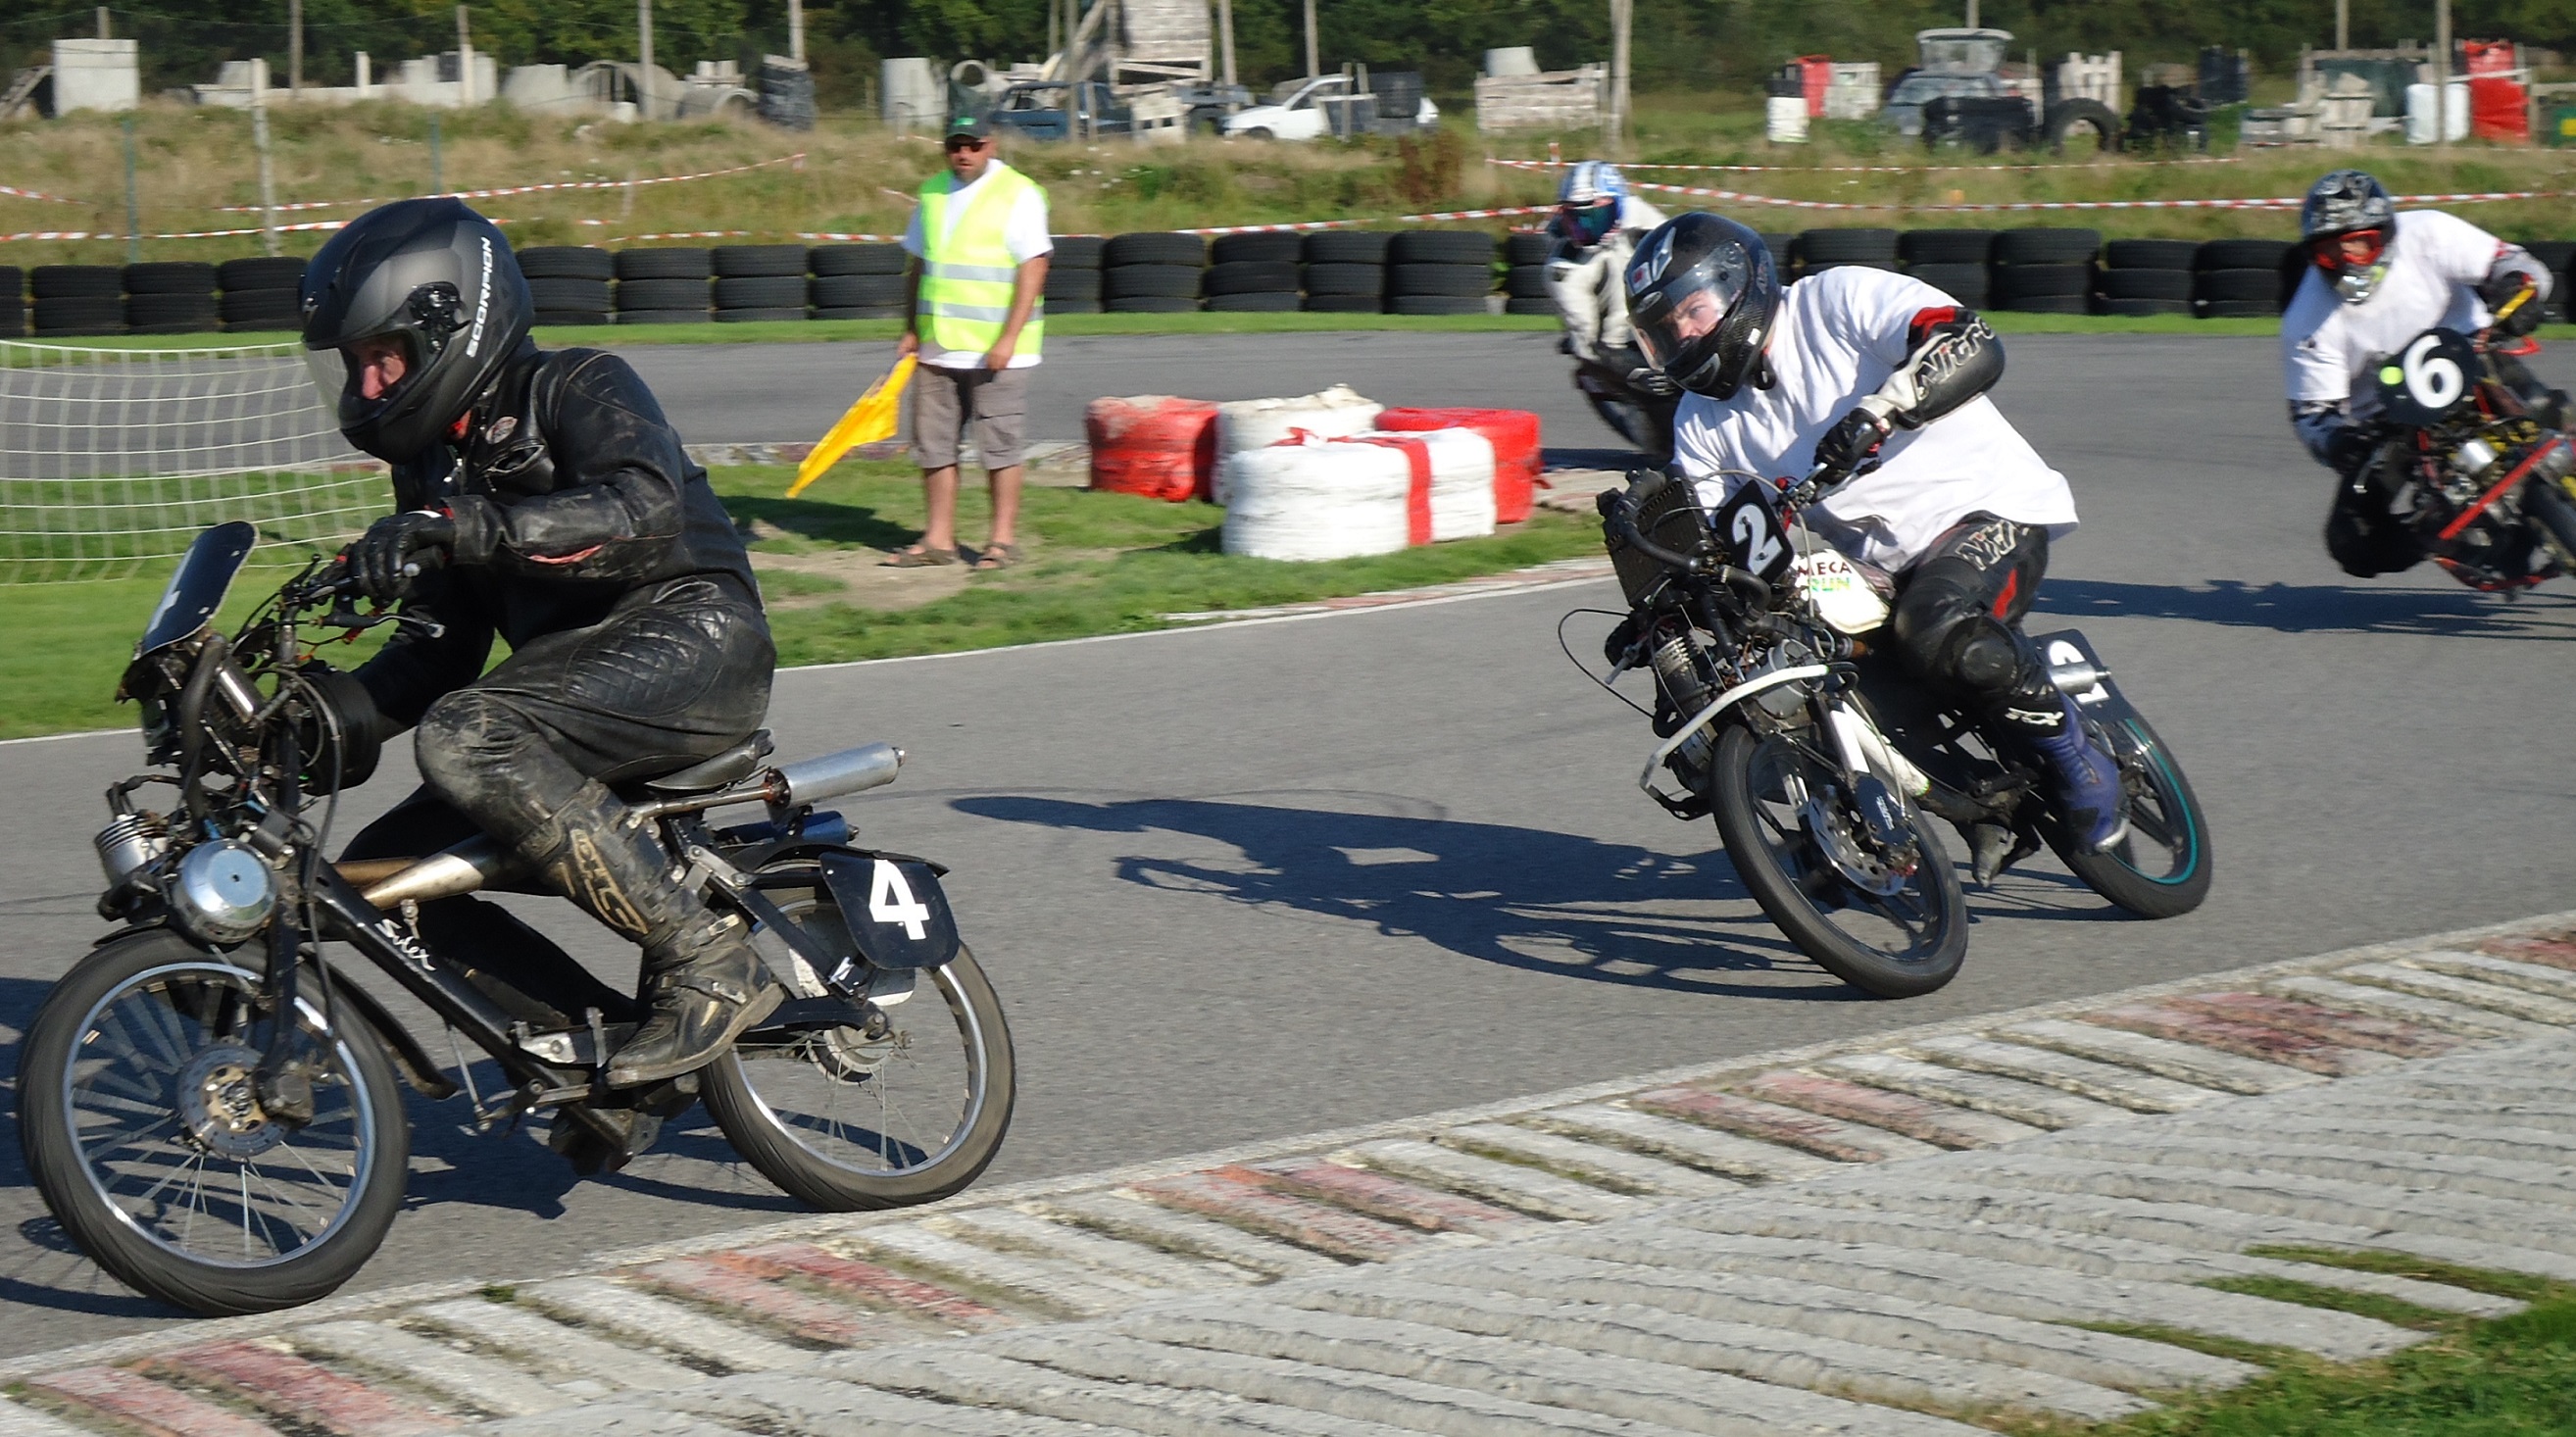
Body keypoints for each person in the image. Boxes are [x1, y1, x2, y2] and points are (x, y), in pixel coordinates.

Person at [302, 196, 782, 1094]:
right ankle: (604, 1067)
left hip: (695, 641)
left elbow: (644, 512)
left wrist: (469, 528)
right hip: (566, 698)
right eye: (354, 365)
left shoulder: (576, 383)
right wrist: (318, 722)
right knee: (382, 877)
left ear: (449, 324)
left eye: (383, 356)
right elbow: (439, 654)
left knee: (466, 732)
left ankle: (706, 958)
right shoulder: (430, 469)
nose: (367, 386)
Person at [1620, 211, 2127, 853]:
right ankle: (1980, 807)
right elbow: (1727, 533)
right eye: (1666, 329)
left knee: (1933, 628)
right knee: (1819, 683)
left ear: (1738, 282)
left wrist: (1882, 411)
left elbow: (1967, 339)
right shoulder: (1698, 421)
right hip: (1871, 569)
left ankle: (2079, 757)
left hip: (1985, 508)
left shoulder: (1837, 299)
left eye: (1692, 311)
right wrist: (1671, 603)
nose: (1686, 334)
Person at [2281, 168, 2559, 577]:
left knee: (2543, 407)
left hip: (2471, 353)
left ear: (2386, 234)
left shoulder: (2429, 231)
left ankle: (2562, 445)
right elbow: (2311, 413)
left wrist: (2519, 290)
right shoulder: (2306, 323)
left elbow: (2512, 261)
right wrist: (2339, 441)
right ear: (2313, 256)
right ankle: (2442, 533)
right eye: (2331, 251)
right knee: (2351, 541)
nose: (2347, 259)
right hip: (2389, 417)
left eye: (2360, 243)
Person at [887, 112, 1053, 571]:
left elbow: (1034, 266)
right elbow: (919, 265)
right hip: (937, 346)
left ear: (991, 145)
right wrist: (911, 328)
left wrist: (1009, 338)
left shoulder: (1019, 193)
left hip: (998, 350)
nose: (964, 154)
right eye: (955, 145)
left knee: (999, 445)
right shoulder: (932, 193)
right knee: (933, 445)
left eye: (973, 145)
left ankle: (1002, 542)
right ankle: (938, 539)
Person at [1546, 161, 1669, 395]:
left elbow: (1675, 237)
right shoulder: (1563, 268)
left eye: (1596, 216)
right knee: (1596, 346)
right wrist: (1634, 372)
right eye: (1576, 220)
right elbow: (1588, 344)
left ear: (1618, 204)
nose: (1586, 228)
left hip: (1648, 293)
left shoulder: (1636, 210)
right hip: (1599, 319)